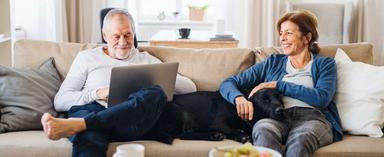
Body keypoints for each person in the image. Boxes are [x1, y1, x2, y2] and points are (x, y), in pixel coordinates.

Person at [41, 8, 196, 157]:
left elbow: (190, 87)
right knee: (89, 137)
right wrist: (97, 93)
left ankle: (83, 124)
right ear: (105, 35)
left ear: (134, 34)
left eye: (128, 35)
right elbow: (60, 101)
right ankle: (88, 124)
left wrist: (159, 77)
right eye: (116, 36)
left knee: (155, 93)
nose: (123, 43)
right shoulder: (86, 58)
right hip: (93, 110)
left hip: (130, 122)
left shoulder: (146, 59)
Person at [219, 10, 342, 157]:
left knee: (301, 139)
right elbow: (228, 82)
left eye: (289, 33)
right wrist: (238, 98)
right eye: (281, 33)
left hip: (312, 118)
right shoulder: (273, 62)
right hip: (277, 118)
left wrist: (279, 85)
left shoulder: (324, 64)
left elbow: (322, 98)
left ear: (307, 37)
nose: (282, 38)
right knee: (262, 129)